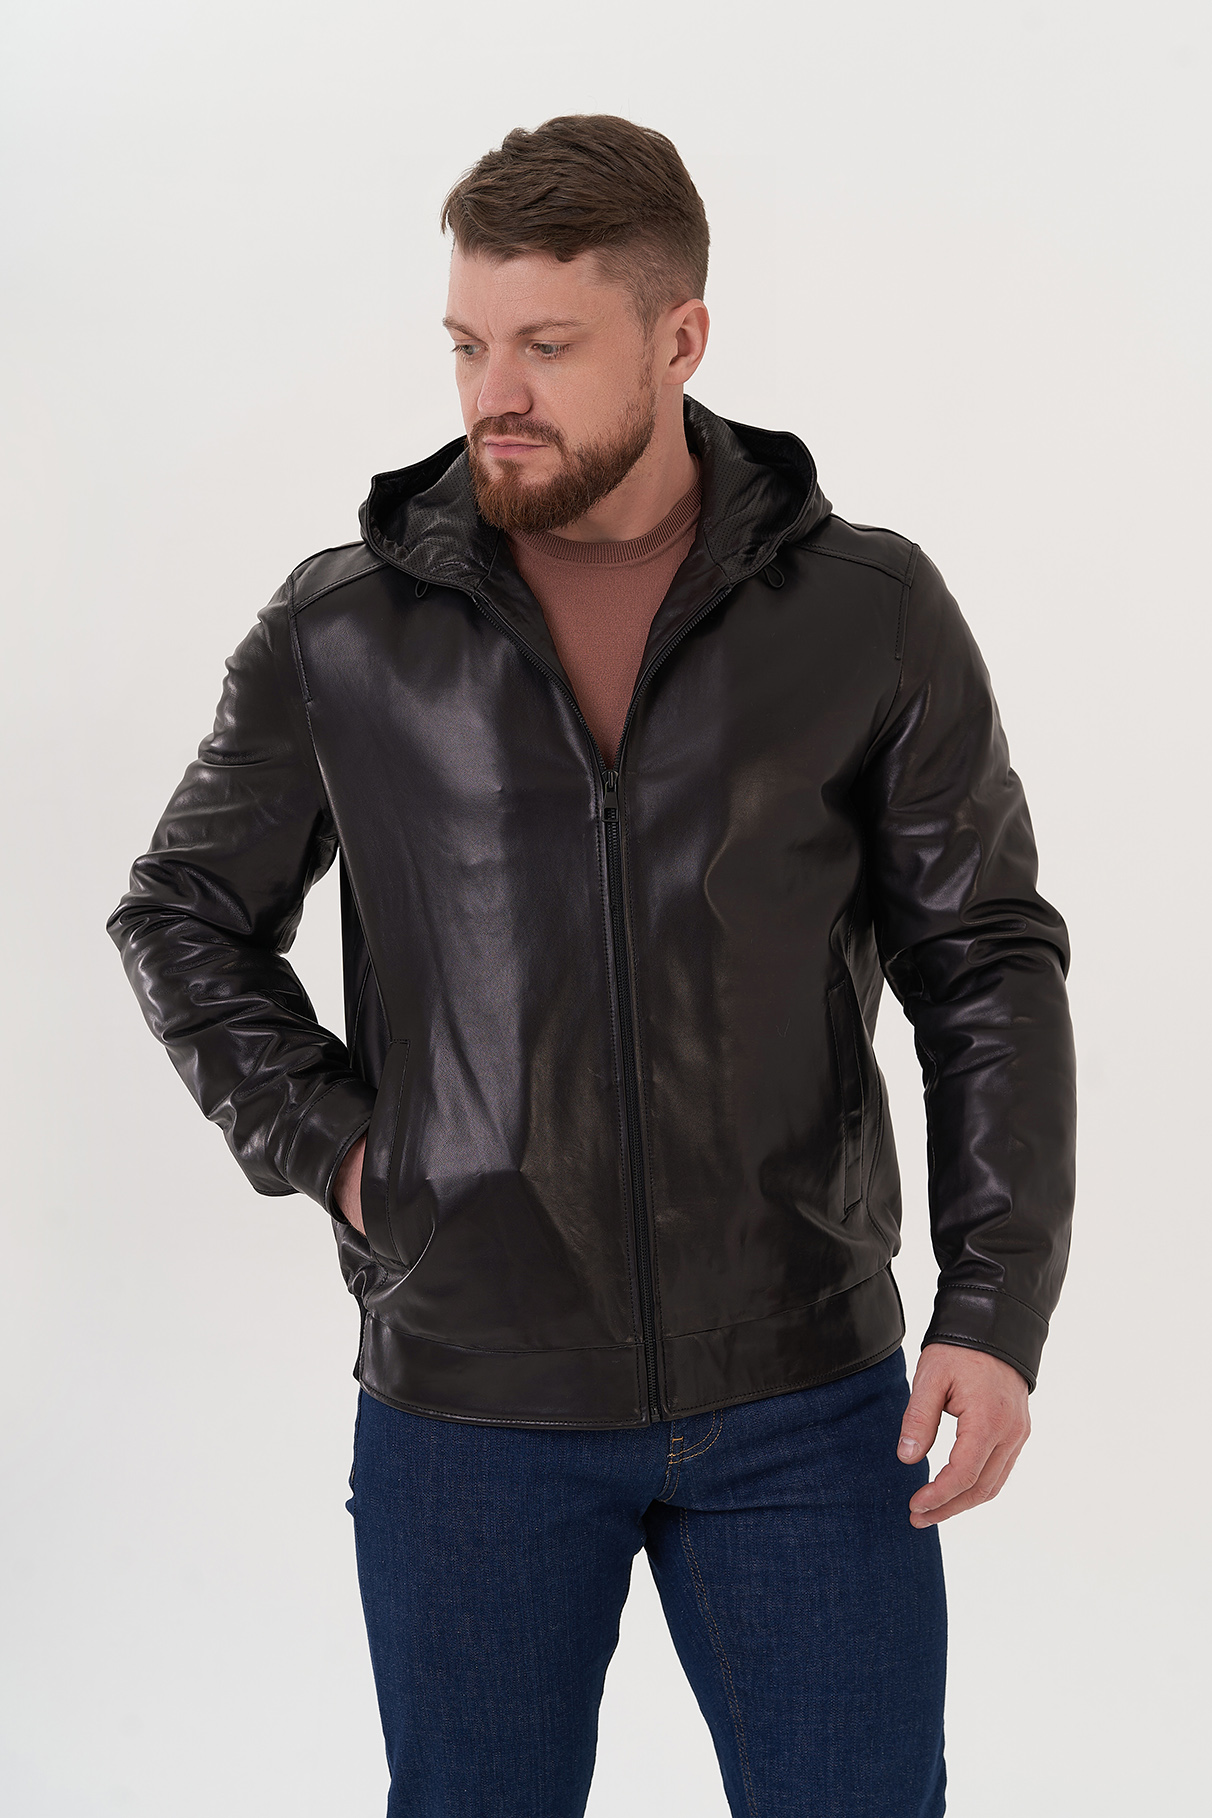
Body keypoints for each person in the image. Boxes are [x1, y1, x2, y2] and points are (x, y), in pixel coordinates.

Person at [107, 114, 1077, 1818]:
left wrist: (994, 1306)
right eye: (469, 344)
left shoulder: (867, 611)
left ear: (680, 336)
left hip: (804, 1386)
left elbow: (984, 958)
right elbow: (182, 911)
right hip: (470, 1402)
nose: (496, 391)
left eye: (547, 347)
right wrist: (349, 1153)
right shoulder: (346, 629)